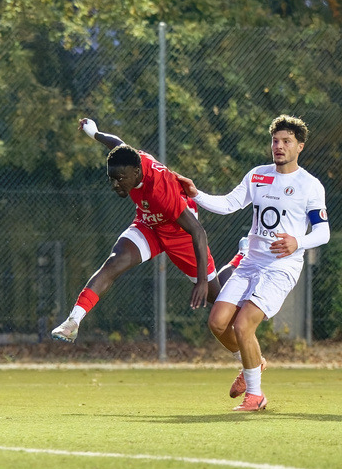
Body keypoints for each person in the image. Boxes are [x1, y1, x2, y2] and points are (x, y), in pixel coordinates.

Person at [177, 115, 330, 411]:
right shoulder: (258, 175)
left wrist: (298, 242)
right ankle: (254, 363)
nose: (279, 146)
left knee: (244, 325)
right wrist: (197, 194)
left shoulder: (310, 185)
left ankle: (256, 396)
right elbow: (229, 204)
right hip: (251, 262)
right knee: (218, 322)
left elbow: (322, 232)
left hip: (281, 267)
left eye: (286, 141)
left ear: (300, 146)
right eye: (275, 140)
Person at [51, 118, 220, 343]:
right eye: (111, 179)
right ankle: (73, 321)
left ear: (137, 171)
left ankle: (238, 266)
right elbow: (116, 143)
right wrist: (94, 133)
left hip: (179, 231)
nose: (115, 185)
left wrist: (200, 281)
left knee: (219, 300)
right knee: (114, 262)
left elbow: (198, 232)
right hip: (149, 224)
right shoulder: (128, 158)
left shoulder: (160, 190)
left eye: (120, 179)